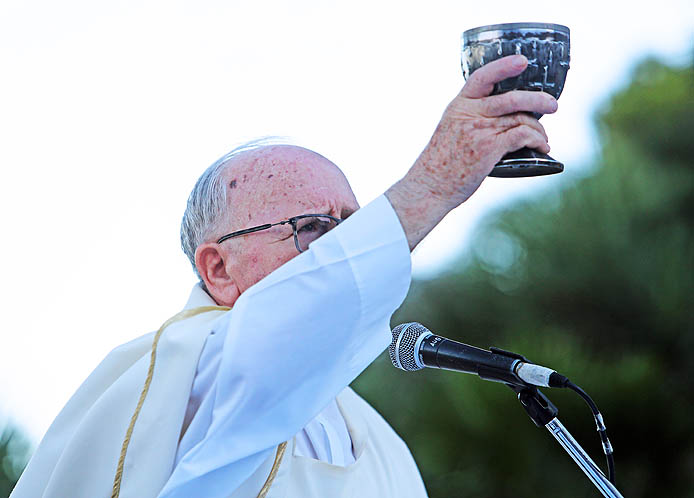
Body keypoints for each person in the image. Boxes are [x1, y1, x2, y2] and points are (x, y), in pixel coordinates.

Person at [11, 54, 557, 498]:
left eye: (352, 230)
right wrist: (433, 185)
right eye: (314, 229)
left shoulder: (382, 443)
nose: (343, 250)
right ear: (218, 269)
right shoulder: (192, 374)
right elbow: (273, 339)